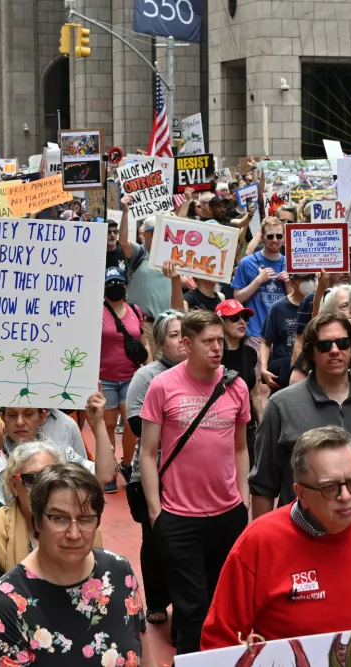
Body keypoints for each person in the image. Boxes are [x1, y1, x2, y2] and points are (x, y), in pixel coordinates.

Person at [200, 426, 351, 649]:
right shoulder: (259, 542)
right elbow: (220, 641)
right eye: (329, 487)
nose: (345, 496)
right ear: (301, 494)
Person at [139, 309, 251, 654]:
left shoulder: (237, 385)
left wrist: (243, 499)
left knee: (225, 601)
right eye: (209, 341)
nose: (218, 347)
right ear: (186, 344)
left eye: (220, 340)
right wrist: (157, 512)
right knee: (192, 607)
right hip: (179, 516)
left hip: (227, 512)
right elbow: (147, 453)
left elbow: (241, 447)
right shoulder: (162, 386)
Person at [0, 464, 145, 666]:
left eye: (85, 518)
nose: (74, 534)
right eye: (59, 518)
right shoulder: (8, 604)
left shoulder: (119, 572)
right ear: (37, 522)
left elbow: (144, 654)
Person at [0, 439, 106, 641]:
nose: (42, 489)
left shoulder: (82, 531)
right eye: (31, 479)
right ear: (13, 483)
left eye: (51, 479)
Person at [251, 312, 351, 517]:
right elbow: (263, 486)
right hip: (304, 535)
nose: (334, 350)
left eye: (342, 343)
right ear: (311, 352)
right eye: (324, 345)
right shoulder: (281, 406)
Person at [125, 310, 187, 627]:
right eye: (174, 335)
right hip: (151, 474)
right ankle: (157, 601)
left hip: (189, 476)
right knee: (156, 540)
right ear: (161, 342)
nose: (182, 341)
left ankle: (184, 605)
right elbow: (136, 423)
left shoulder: (202, 373)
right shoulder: (147, 376)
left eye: (185, 334)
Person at [0, 390, 116, 516]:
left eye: (28, 414)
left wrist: (98, 422)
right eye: (13, 415)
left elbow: (104, 475)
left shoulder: (60, 453)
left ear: (42, 417)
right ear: (3, 418)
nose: (20, 422)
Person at [100, 265, 150, 489]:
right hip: (105, 377)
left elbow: (142, 339)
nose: (115, 287)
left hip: (131, 375)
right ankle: (108, 469)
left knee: (131, 424)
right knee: (108, 425)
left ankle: (127, 464)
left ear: (125, 285)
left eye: (119, 283)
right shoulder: (97, 311)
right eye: (110, 284)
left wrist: (148, 364)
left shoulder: (135, 310)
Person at [217, 300, 263, 468]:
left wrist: (262, 423)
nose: (242, 321)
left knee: (246, 479)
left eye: (244, 317)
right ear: (220, 322)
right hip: (219, 429)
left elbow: (256, 393)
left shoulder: (250, 353)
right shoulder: (213, 354)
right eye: (235, 318)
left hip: (246, 427)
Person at [232, 218, 288, 354]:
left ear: (284, 237)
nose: (275, 240)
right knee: (256, 375)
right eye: (270, 236)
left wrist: (288, 283)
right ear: (262, 237)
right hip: (255, 333)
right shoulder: (247, 263)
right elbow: (237, 298)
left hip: (283, 333)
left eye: (279, 236)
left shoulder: (290, 263)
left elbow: (296, 299)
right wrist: (258, 281)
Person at [117, 197, 174, 319]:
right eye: (154, 232)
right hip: (144, 323)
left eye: (162, 232)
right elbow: (122, 241)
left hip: (167, 324)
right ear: (144, 234)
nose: (159, 235)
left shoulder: (171, 254)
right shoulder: (139, 252)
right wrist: (125, 212)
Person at [261, 272, 311, 390]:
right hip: (283, 371)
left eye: (313, 277)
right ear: (292, 281)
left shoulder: (317, 304)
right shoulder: (278, 308)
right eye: (306, 278)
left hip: (309, 368)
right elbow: (266, 342)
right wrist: (263, 369)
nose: (311, 282)